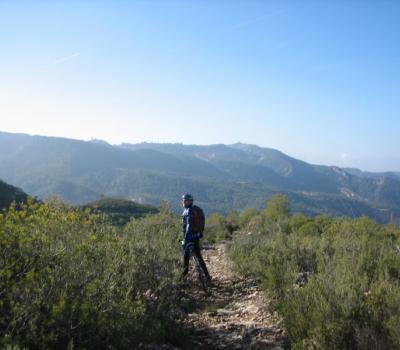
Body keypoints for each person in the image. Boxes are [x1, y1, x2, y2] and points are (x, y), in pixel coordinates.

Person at [181, 193, 211, 281]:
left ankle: (184, 277)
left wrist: (186, 238)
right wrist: (200, 233)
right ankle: (207, 276)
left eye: (183, 201)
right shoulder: (198, 209)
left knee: (186, 257)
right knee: (199, 256)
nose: (183, 202)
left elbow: (188, 225)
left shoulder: (187, 211)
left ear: (187, 201)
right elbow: (203, 221)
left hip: (189, 236)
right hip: (197, 235)